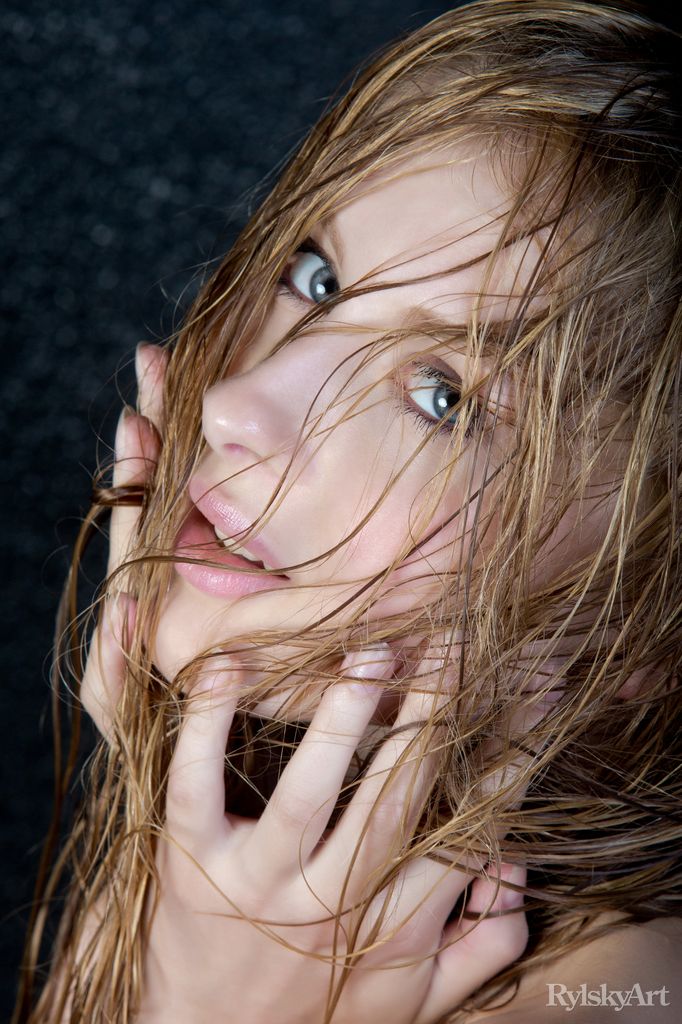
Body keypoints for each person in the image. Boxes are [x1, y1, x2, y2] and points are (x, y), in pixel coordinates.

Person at [14, 0, 682, 1021]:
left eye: (443, 398)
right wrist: (152, 770)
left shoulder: (614, 996)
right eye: (317, 278)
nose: (236, 404)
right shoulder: (248, 851)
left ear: (642, 625)